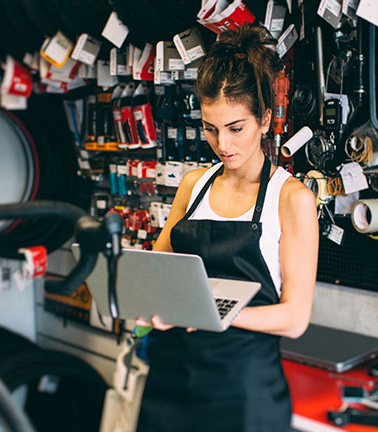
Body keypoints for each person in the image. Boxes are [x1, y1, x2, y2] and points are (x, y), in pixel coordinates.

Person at [134, 24, 319, 432]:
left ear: (265, 119)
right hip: (171, 379)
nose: (223, 144)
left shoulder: (291, 200)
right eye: (210, 128)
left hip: (243, 393)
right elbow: (157, 270)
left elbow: (294, 318)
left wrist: (215, 313)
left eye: (236, 128)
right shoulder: (192, 186)